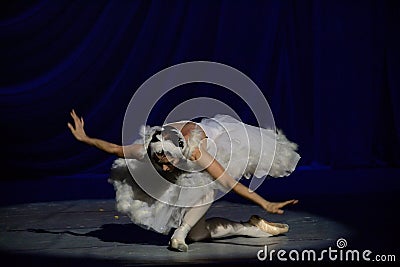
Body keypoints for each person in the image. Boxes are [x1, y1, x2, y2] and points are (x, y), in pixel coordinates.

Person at [68, 109, 300, 252]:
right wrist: (86, 139)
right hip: (187, 166)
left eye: (169, 162)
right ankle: (250, 227)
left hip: (220, 148)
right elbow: (115, 149)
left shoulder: (196, 151)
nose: (166, 167)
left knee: (209, 183)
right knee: (199, 235)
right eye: (162, 163)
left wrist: (264, 202)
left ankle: (179, 232)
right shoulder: (150, 147)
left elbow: (229, 182)